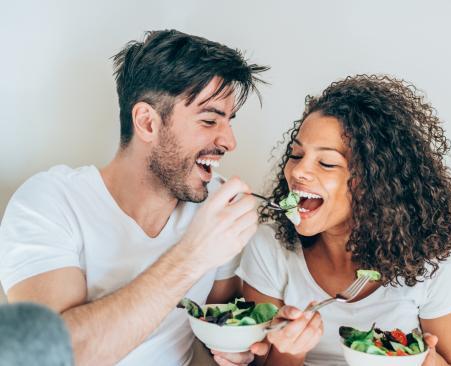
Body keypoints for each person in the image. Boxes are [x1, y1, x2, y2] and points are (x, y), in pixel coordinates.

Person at [0, 29, 268, 366]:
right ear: (147, 122)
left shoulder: (216, 206)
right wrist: (192, 256)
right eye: (210, 119)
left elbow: (214, 332)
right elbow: (50, 358)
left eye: (228, 121)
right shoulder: (49, 202)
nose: (229, 141)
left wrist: (233, 352)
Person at [235, 75, 451, 366]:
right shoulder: (269, 246)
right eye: (296, 154)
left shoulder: (433, 261)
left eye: (326, 163)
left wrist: (426, 362)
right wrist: (291, 349)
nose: (298, 171)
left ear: (375, 182)